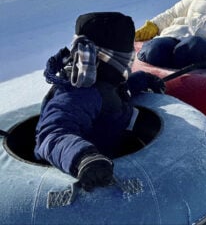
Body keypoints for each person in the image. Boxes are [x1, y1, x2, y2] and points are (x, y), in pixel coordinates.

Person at [34, 12, 165, 191]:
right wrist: (83, 158)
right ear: (107, 58)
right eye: (126, 58)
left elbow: (121, 90)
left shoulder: (104, 81)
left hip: (110, 147)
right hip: (83, 164)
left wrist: (144, 79)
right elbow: (52, 133)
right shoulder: (79, 94)